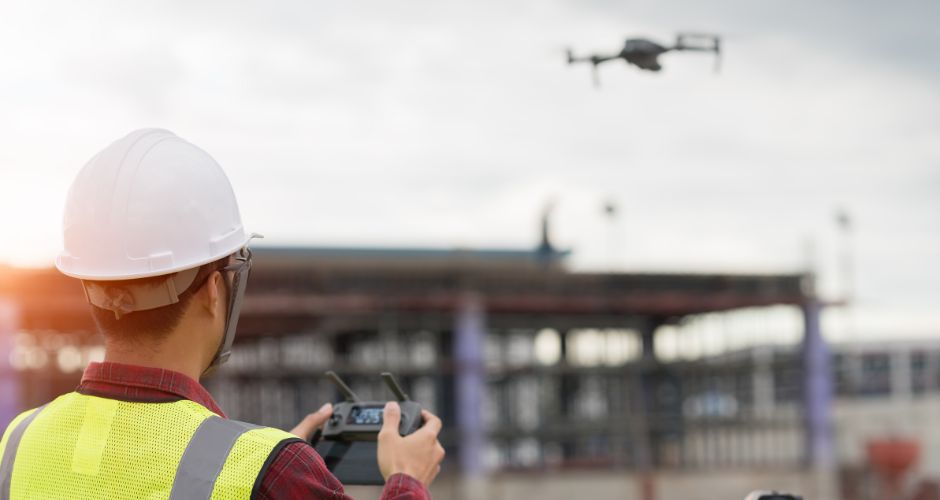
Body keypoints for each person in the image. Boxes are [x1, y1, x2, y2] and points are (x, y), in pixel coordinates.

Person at [0, 129, 445, 499]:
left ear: (91, 284)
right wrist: (406, 480)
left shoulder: (17, 443)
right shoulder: (274, 473)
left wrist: (254, 457)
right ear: (216, 289)